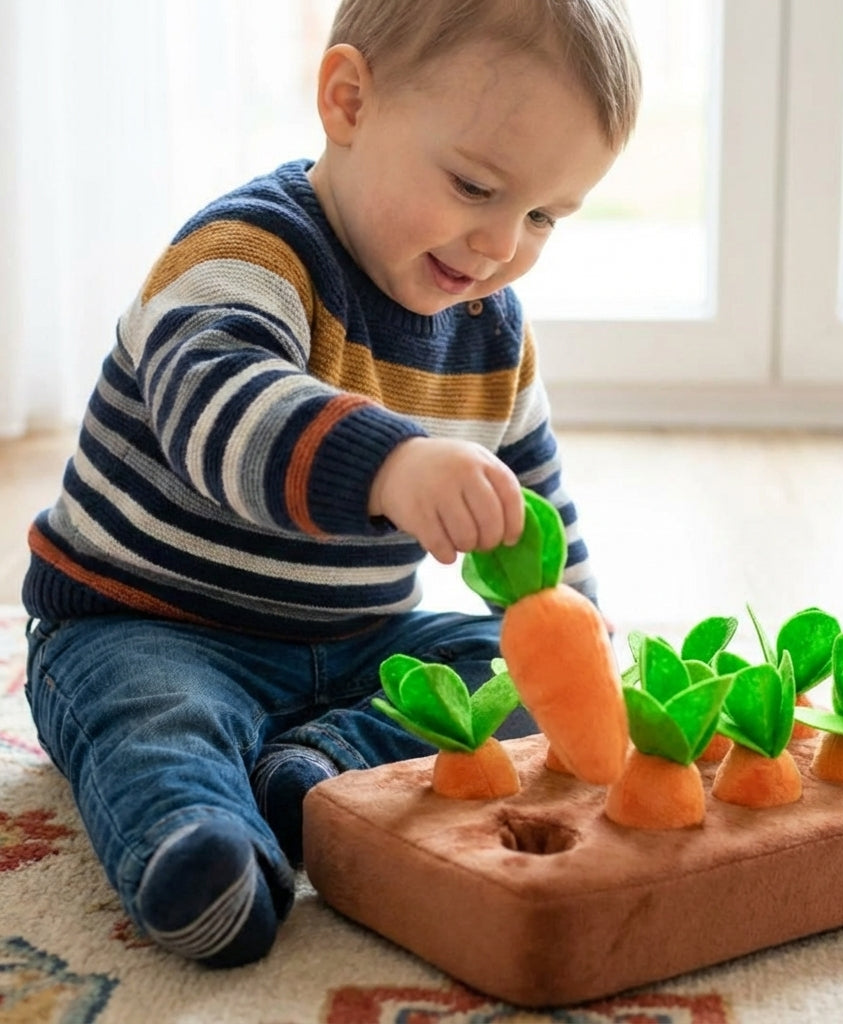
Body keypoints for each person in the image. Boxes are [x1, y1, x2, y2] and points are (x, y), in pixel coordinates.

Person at [22, 0, 641, 968]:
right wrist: (390, 462)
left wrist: (580, 640)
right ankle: (198, 850)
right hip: (151, 624)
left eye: (542, 217)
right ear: (348, 100)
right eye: (475, 185)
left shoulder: (492, 329)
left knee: (520, 663)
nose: (499, 244)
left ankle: (316, 770)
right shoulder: (242, 256)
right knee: (157, 721)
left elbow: (537, 507)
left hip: (350, 642)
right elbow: (219, 411)